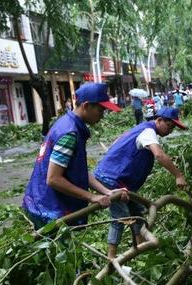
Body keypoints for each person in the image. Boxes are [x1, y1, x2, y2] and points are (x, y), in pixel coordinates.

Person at [22, 83, 126, 230]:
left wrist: (106, 191)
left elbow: (78, 171)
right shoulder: (70, 134)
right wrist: (91, 197)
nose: (103, 115)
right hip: (50, 212)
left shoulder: (67, 124)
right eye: (101, 109)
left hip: (44, 205)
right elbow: (54, 179)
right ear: (86, 105)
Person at [94, 107, 189, 259]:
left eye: (173, 128)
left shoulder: (140, 129)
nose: (170, 131)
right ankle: (111, 259)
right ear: (158, 120)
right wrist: (178, 175)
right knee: (121, 217)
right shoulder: (148, 132)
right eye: (169, 126)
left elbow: (117, 141)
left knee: (139, 213)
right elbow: (159, 154)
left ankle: (140, 252)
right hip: (111, 179)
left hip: (122, 183)